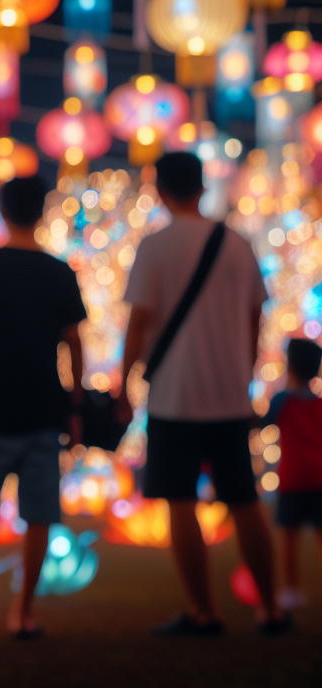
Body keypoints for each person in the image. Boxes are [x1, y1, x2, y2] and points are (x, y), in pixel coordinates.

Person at [119, 151, 289, 635]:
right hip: (230, 397)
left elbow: (139, 323)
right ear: (202, 187)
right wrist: (243, 370)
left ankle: (203, 611)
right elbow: (256, 315)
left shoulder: (155, 247)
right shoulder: (237, 243)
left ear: (159, 190)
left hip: (175, 397)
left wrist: (124, 382)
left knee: (179, 502)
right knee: (244, 501)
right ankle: (271, 609)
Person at [0, 175, 86, 639]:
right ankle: (22, 612)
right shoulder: (59, 272)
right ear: (42, 211)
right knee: (39, 515)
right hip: (45, 409)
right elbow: (73, 342)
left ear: (2, 212)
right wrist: (76, 399)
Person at [259, 338, 322, 610]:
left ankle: (293, 590)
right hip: (320, 479)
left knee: (288, 539)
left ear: (290, 367)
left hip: (293, 479)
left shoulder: (283, 400)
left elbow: (261, 424)